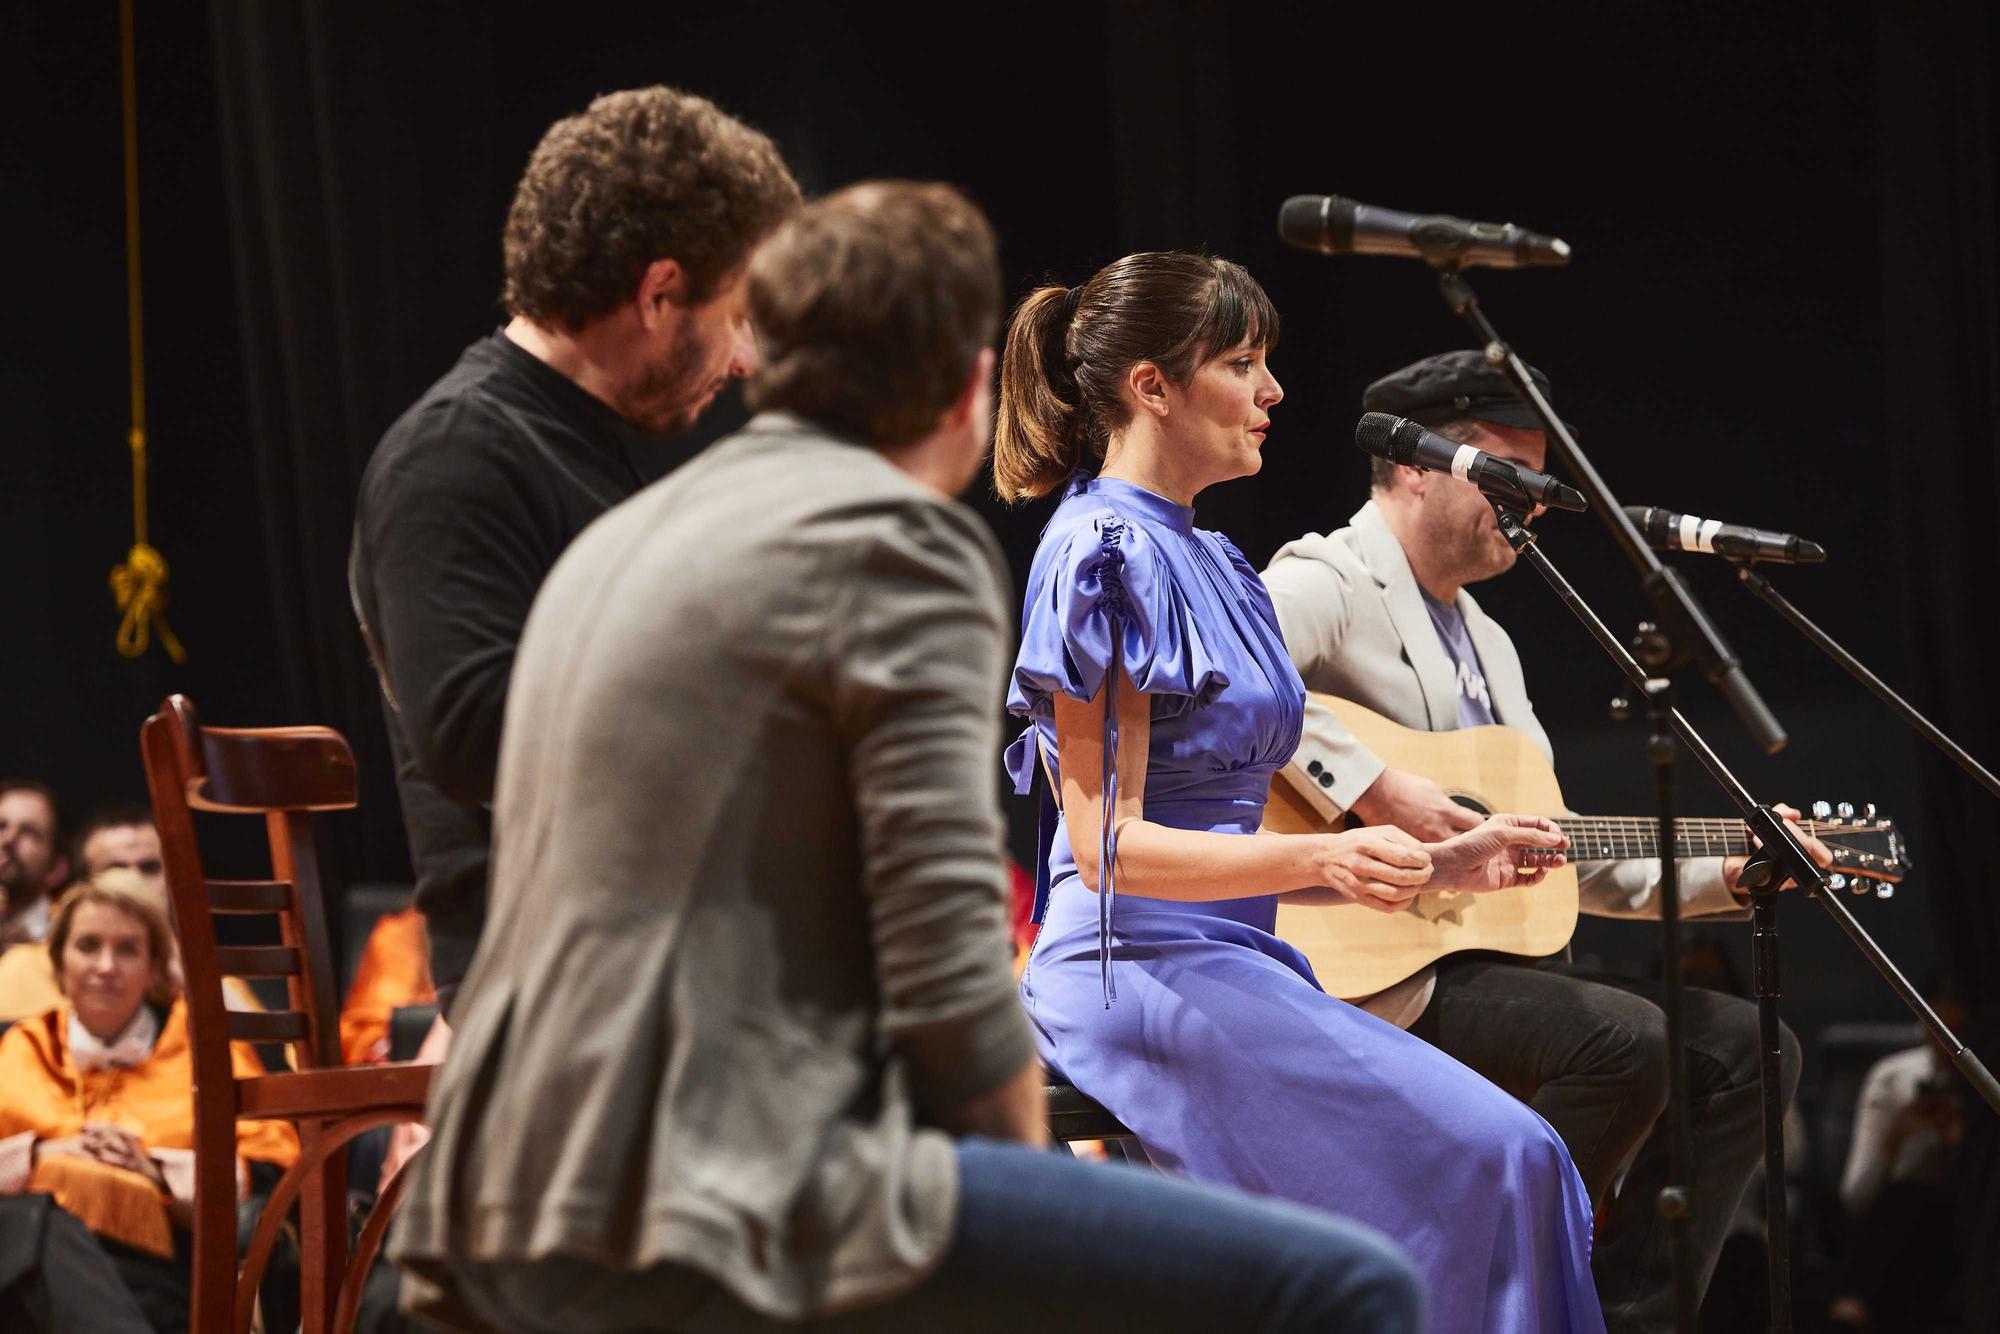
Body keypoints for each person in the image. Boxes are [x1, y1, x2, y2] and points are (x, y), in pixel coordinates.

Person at [391, 184, 1421, 1334]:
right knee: (1349, 1284)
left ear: (761, 359)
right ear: (969, 385)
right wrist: (1017, 1194)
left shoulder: (620, 538)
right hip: (700, 1189)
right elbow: (940, 946)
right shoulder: (897, 541)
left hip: (485, 1186)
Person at [997, 252, 1601, 1332]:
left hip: (1233, 954)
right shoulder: (1097, 549)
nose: (1272, 391)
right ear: (1150, 386)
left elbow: (1238, 848)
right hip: (1128, 968)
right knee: (1506, 1158)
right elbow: (1110, 851)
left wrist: (1438, 862)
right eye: (1241, 362)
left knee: (1515, 1160)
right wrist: (1328, 854)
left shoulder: (1217, 561)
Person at [1261, 348, 1827, 1332]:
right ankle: (1471, 1294)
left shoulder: (1489, 638)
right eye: (1504, 473)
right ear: (1415, 466)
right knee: (1628, 1038)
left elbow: (1566, 850)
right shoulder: (1327, 576)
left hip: (1478, 966)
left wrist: (1730, 873)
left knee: (1751, 1049)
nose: (1530, 501)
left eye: (1537, 477)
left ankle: (1616, 1314)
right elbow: (1230, 682)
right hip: (1356, 958)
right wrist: (1374, 785)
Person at [350, 85, 802, 1017]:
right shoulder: (455, 455)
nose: (747, 362)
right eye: (739, 315)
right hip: (570, 996)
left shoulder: (585, 451)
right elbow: (475, 735)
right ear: (659, 293)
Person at [0, 873, 299, 1332]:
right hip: (22, 1271)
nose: (105, 966)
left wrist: (154, 1170)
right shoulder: (19, 1046)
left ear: (156, 967)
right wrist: (40, 1155)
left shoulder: (207, 1051)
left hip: (161, 1273)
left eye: (127, 949)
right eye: (87, 945)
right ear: (59, 964)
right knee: (31, 1222)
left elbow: (273, 1171)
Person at [0, 781, 67, 950]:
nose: (8, 838)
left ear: (57, 869)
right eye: (1, 826)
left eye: (29, 831)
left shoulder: (63, 940)